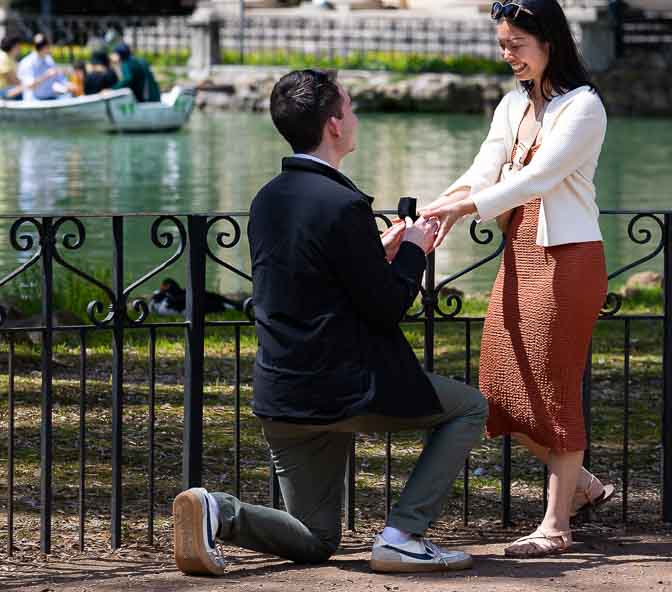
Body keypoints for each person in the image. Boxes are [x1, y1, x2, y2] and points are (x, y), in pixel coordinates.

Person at [172, 68, 486, 578]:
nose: (356, 117)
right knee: (469, 408)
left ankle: (217, 511)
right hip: (342, 388)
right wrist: (413, 252)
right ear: (334, 126)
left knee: (317, 540)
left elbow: (314, 279)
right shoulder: (343, 204)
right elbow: (386, 306)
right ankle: (404, 534)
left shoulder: (267, 199)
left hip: (282, 391)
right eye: (351, 107)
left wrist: (375, 252)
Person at [421, 0, 611, 559]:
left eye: (518, 44)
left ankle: (556, 525)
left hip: (567, 259)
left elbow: (539, 178)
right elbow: (484, 169)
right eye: (503, 45)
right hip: (519, 252)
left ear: (550, 42)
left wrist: (462, 208)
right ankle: (581, 485)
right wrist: (433, 212)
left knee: (554, 389)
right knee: (499, 389)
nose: (509, 55)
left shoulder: (583, 105)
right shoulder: (511, 105)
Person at [17, 34, 67, 100]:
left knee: (67, 96)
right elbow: (29, 86)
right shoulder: (27, 63)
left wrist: (67, 85)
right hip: (34, 101)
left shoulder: (49, 59)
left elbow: (60, 79)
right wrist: (45, 76)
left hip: (51, 98)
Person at [0, 33, 24, 99]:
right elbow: (11, 79)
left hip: (8, 89)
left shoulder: (10, 58)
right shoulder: (3, 57)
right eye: (18, 45)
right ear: (13, 46)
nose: (20, 48)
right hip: (2, 91)